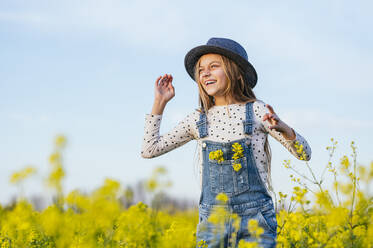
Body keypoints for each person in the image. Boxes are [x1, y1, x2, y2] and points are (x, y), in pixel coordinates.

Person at [141, 37, 312, 248]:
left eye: (214, 66)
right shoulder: (197, 119)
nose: (205, 73)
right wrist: (160, 102)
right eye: (201, 69)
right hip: (213, 222)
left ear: (237, 73)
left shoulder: (257, 110)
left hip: (256, 220)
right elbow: (149, 149)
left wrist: (285, 130)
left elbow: (305, 154)